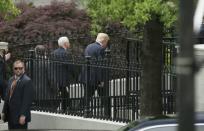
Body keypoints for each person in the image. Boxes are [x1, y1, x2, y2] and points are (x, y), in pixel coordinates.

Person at [81, 33, 110, 114]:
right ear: (104, 41)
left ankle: (84, 111)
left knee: (87, 96)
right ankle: (107, 114)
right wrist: (101, 80)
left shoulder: (88, 46)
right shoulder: (100, 49)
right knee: (104, 96)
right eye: (107, 42)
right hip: (96, 78)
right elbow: (100, 65)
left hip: (87, 76)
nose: (106, 44)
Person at [1, 60, 34, 130]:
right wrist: (4, 111)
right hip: (10, 115)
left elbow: (27, 101)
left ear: (24, 69)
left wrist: (23, 115)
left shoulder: (27, 81)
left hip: (20, 116)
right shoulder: (11, 80)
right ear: (13, 69)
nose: (18, 70)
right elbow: (7, 97)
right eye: (16, 68)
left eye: (20, 68)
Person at [49, 36, 74, 112]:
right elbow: (70, 68)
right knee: (65, 95)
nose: (69, 44)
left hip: (55, 78)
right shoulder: (67, 54)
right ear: (65, 43)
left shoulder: (53, 53)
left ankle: (63, 108)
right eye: (68, 42)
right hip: (65, 79)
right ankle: (66, 109)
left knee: (62, 94)